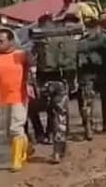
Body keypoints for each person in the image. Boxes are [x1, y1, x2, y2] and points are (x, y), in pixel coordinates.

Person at [30, 22, 78, 164]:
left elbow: (33, 65)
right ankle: (58, 151)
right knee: (60, 116)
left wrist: (34, 85)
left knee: (37, 110)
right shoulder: (66, 40)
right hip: (61, 82)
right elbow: (73, 63)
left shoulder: (39, 41)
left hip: (44, 83)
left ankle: (41, 135)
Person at [0, 29, 31, 172]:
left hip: (20, 97)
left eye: (1, 41)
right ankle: (26, 149)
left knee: (15, 128)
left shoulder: (21, 56)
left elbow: (32, 70)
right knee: (8, 133)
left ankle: (16, 161)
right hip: (5, 99)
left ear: (10, 41)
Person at [76, 16, 106, 138]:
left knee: (88, 102)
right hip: (100, 72)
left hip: (89, 74)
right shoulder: (103, 38)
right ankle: (105, 124)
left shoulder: (80, 40)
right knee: (104, 100)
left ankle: (90, 126)